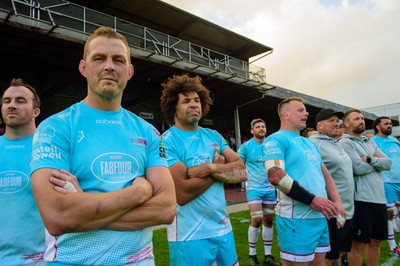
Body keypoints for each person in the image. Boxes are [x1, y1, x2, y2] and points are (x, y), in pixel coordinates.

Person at [30, 26, 176, 265]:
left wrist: (83, 208)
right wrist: (138, 193)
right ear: (83, 67)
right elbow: (57, 217)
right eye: (99, 58)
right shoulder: (55, 127)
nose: (109, 66)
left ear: (129, 71)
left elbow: (166, 210)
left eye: (118, 60)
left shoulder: (148, 132)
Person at [160, 73, 247, 266]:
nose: (193, 104)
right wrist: (220, 171)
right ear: (173, 107)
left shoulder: (213, 135)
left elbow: (241, 171)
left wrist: (208, 167)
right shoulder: (168, 141)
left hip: (223, 229)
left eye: (197, 100)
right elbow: (182, 193)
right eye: (186, 101)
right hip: (189, 235)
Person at [262, 97, 345, 265]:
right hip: (296, 219)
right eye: (300, 110)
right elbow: (275, 175)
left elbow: (325, 175)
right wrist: (312, 200)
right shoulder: (275, 139)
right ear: (285, 114)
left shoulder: (310, 143)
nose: (306, 113)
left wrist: (337, 202)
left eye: (305, 110)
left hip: (320, 216)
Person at [0, 78, 45, 265]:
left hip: (42, 259)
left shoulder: (50, 148)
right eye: (6, 101)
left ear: (36, 111)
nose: (11, 105)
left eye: (20, 100)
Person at [338, 109, 391, 266]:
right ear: (346, 123)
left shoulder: (370, 142)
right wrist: (377, 162)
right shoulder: (345, 143)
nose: (362, 121)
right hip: (361, 200)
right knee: (358, 245)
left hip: (379, 199)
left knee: (376, 242)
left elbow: (388, 164)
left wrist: (369, 159)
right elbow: (357, 168)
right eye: (357, 118)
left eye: (362, 118)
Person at [309, 109, 354, 266]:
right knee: (329, 256)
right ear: (319, 126)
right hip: (332, 211)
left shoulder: (335, 143)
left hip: (348, 208)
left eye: (337, 120)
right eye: (331, 121)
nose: (336, 123)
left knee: (342, 251)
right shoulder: (315, 144)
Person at [237, 118, 280, 266]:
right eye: (258, 127)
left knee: (268, 220)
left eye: (263, 126)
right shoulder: (246, 147)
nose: (261, 128)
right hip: (254, 189)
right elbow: (237, 164)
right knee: (256, 219)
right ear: (252, 130)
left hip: (269, 189)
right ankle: (252, 255)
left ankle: (268, 255)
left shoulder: (271, 146)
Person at [371, 116, 400, 256]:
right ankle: (392, 245)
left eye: (390, 124)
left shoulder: (395, 141)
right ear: (378, 126)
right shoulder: (372, 142)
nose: (390, 126)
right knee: (389, 213)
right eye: (386, 124)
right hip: (386, 182)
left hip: (399, 180)